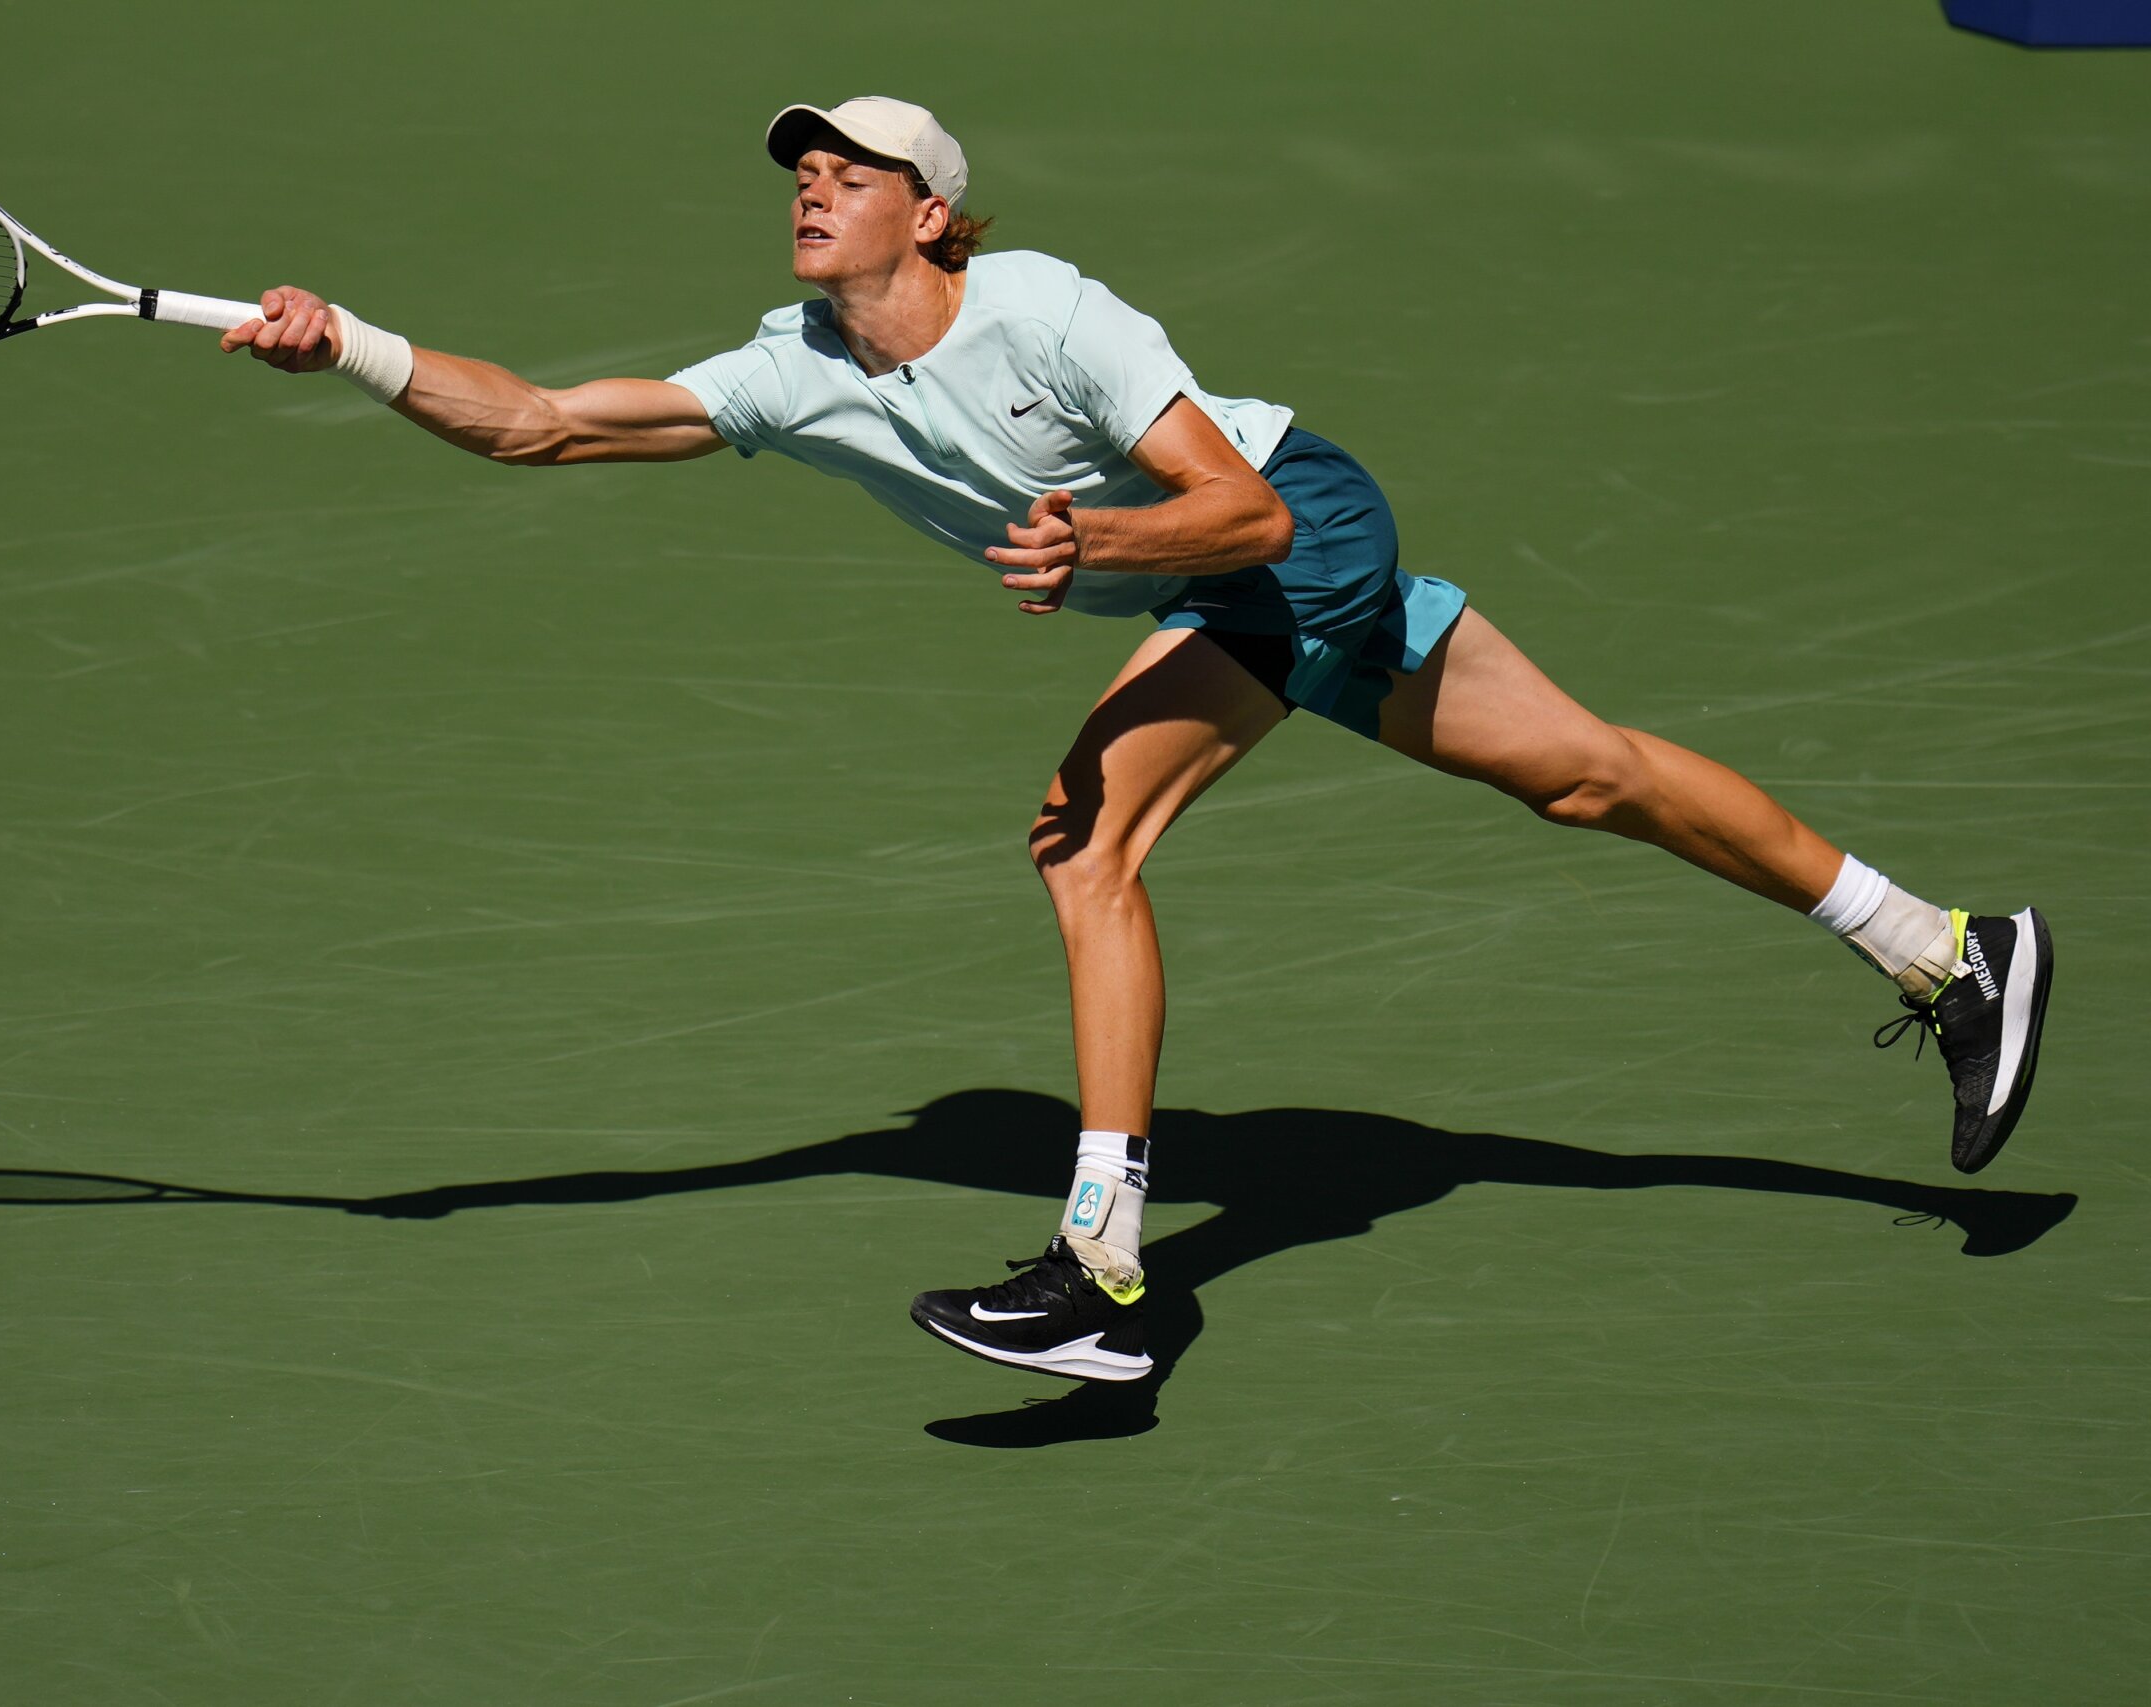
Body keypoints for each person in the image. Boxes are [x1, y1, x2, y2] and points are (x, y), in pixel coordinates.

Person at [223, 97, 2054, 1384]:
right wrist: (363, 350)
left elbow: (1244, 519)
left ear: (928, 213)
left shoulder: (1042, 310)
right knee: (1590, 775)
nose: (814, 187)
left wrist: (1101, 540)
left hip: (1286, 530)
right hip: (1246, 568)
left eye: (853, 171)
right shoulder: (793, 365)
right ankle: (1947, 948)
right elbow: (541, 423)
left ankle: (1102, 1267)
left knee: (1084, 838)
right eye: (803, 168)